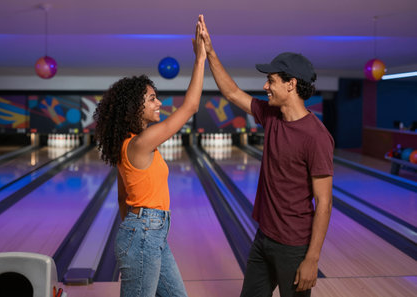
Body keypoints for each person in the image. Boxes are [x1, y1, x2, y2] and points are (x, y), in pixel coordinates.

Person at [198, 15, 334, 297]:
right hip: (264, 237)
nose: (265, 86)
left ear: (291, 84)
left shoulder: (316, 136)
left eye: (270, 80)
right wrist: (210, 52)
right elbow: (232, 93)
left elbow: (324, 201)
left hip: (294, 247)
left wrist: (312, 258)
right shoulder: (271, 115)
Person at [93, 17, 206, 297]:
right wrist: (200, 58)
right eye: (152, 98)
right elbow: (190, 107)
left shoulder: (128, 145)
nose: (160, 103)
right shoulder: (141, 143)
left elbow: (123, 198)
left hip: (148, 235)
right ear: (135, 107)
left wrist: (134, 233)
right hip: (144, 233)